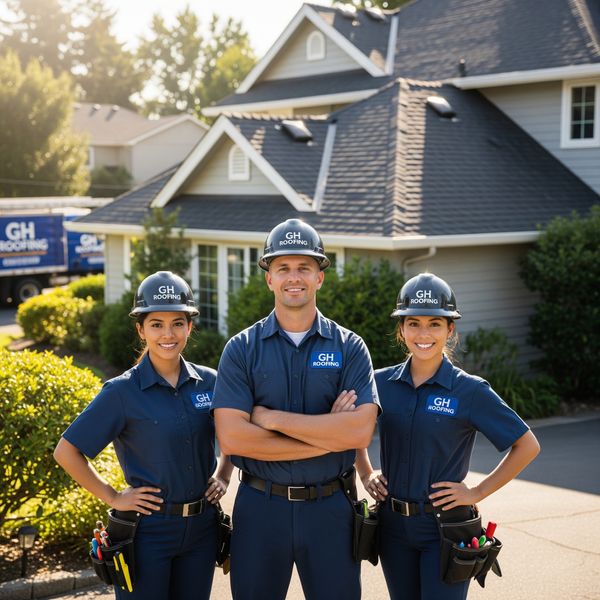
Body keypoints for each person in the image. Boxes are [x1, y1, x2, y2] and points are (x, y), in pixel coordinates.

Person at [212, 219, 380, 600]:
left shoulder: (350, 348)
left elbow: (358, 433)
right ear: (268, 277)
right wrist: (329, 433)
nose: (294, 277)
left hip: (330, 510)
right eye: (282, 267)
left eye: (304, 267)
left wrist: (269, 419)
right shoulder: (240, 349)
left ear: (320, 276)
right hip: (259, 509)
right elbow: (233, 438)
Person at [356, 272, 540, 600]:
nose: (423, 333)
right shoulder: (378, 383)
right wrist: (367, 472)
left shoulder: (470, 390)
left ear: (449, 330)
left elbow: (527, 445)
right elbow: (351, 430)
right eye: (413, 323)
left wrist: (478, 491)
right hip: (392, 528)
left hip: (445, 529)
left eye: (435, 324)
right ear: (401, 329)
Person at [54, 271, 233, 600]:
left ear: (190, 326)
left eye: (178, 323)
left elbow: (236, 433)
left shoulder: (211, 382)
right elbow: (66, 451)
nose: (168, 333)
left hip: (202, 530)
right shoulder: (121, 392)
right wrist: (113, 497)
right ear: (140, 329)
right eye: (156, 324)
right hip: (148, 532)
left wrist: (223, 474)